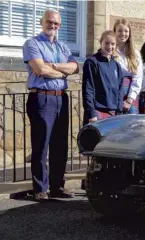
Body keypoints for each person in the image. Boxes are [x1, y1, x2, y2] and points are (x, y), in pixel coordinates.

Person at [23, 9, 79, 201]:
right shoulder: (32, 43)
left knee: (60, 145)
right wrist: (63, 71)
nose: (52, 25)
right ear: (42, 22)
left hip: (61, 98)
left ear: (59, 26)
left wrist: (53, 67)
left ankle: (57, 187)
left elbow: (75, 67)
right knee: (41, 144)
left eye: (55, 23)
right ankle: (40, 188)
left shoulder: (63, 47)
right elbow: (39, 69)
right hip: (42, 98)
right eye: (49, 22)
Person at [82, 30, 124, 125]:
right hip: (97, 112)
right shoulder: (92, 62)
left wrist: (119, 110)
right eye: (107, 43)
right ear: (101, 43)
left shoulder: (116, 65)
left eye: (112, 44)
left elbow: (120, 90)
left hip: (114, 113)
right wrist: (91, 113)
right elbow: (88, 89)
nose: (109, 47)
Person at [113, 18, 143, 114]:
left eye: (126, 31)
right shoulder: (110, 51)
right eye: (120, 31)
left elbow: (138, 77)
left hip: (130, 95)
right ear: (115, 32)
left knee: (131, 125)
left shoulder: (135, 53)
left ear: (129, 33)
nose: (123, 34)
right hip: (113, 93)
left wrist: (129, 99)